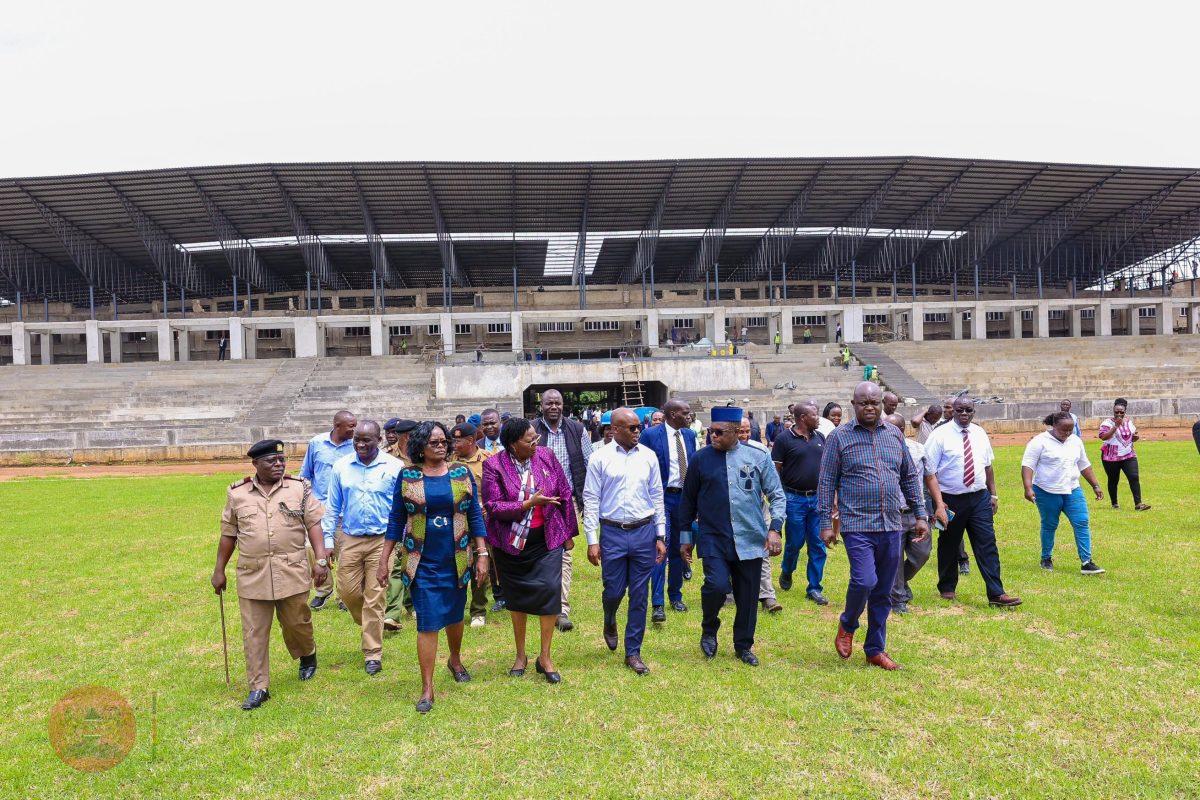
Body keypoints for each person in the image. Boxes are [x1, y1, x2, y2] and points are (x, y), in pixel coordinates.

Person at [817, 386, 928, 671]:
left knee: (884, 591)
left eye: (875, 402)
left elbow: (909, 478)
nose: (870, 407)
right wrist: (825, 523)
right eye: (864, 402)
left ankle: (875, 649)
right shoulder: (839, 437)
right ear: (853, 403)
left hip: (891, 523)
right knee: (865, 580)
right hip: (857, 523)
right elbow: (827, 482)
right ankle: (848, 624)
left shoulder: (894, 435)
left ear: (882, 404)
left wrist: (921, 515)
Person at [212, 439, 329, 710]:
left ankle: (307, 654)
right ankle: (259, 686)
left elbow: (314, 524)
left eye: (281, 461)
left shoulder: (298, 488)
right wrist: (219, 570)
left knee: (297, 623)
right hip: (253, 573)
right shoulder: (237, 494)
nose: (278, 465)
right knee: (254, 631)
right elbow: (228, 534)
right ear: (255, 464)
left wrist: (320, 559)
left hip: (291, 569)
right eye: (271, 461)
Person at [379, 422, 487, 713]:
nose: (441, 446)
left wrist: (482, 553)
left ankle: (454, 659)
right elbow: (396, 520)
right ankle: (427, 687)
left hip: (457, 558)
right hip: (422, 561)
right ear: (420, 447)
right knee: (427, 622)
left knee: (454, 615)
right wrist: (384, 559)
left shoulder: (460, 473)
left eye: (443, 441)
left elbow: (475, 514)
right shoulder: (409, 475)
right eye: (434, 442)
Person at [677, 407, 785, 667]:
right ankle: (709, 628)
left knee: (747, 597)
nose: (712, 436)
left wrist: (775, 529)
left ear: (737, 432)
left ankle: (743, 645)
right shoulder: (700, 459)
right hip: (714, 536)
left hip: (750, 538)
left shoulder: (757, 457)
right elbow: (688, 500)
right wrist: (685, 537)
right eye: (710, 431)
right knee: (714, 585)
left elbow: (777, 495)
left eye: (719, 432)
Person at [482, 417, 578, 683]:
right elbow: (493, 506)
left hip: (546, 541)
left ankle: (545, 657)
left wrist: (568, 534)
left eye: (536, 438)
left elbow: (565, 493)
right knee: (518, 599)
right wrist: (527, 504)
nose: (536, 443)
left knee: (550, 592)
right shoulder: (493, 465)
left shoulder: (546, 456)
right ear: (513, 444)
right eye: (530, 440)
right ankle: (520, 655)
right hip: (510, 545)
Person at [583, 408, 667, 675]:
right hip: (613, 533)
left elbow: (657, 496)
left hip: (644, 532)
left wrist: (660, 534)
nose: (637, 432)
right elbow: (591, 499)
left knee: (640, 595)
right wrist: (592, 540)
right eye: (631, 428)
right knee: (614, 591)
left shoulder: (649, 456)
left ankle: (633, 652)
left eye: (638, 427)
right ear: (615, 430)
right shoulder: (599, 458)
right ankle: (609, 619)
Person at [923, 398, 1022, 608]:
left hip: (979, 497)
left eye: (969, 410)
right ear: (953, 411)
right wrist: (939, 503)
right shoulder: (939, 435)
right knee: (949, 543)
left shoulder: (979, 433)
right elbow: (929, 472)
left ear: (974, 411)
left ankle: (996, 593)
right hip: (950, 499)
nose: (964, 414)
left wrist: (993, 495)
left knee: (987, 544)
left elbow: (987, 466)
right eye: (960, 410)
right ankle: (947, 587)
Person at [322, 420, 404, 675]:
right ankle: (373, 623)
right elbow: (333, 506)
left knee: (375, 596)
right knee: (346, 591)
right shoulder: (341, 467)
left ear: (379, 440)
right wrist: (327, 541)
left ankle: (372, 654)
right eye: (356, 439)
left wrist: (401, 540)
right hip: (351, 539)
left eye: (366, 440)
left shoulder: (394, 467)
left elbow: (401, 507)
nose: (360, 444)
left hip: (383, 540)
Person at [532, 388, 594, 631]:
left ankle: (560, 609)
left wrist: (588, 498)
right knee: (539, 552)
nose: (554, 407)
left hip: (567, 502)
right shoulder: (532, 430)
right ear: (542, 406)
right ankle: (541, 599)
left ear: (563, 405)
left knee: (564, 554)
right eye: (549, 403)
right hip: (538, 502)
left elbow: (591, 462)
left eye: (557, 403)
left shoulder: (577, 429)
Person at [1021, 412, 1106, 575]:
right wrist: (1028, 487)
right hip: (1046, 491)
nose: (1067, 434)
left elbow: (1084, 465)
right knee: (1050, 524)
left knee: (1082, 522)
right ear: (1054, 426)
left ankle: (1086, 562)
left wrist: (1095, 485)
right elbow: (1028, 465)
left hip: (1072, 489)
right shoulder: (1039, 442)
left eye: (1070, 430)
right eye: (1063, 430)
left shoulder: (1075, 441)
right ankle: (1046, 558)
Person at [883, 413, 949, 614]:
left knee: (922, 554)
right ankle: (898, 599)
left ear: (902, 430)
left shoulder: (918, 449)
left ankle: (902, 583)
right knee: (893, 558)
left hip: (917, 512)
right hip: (891, 514)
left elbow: (930, 478)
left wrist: (939, 505)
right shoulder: (879, 451)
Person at [641, 398, 696, 622]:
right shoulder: (651, 436)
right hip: (661, 499)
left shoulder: (690, 436)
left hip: (684, 501)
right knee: (660, 550)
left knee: (680, 549)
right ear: (672, 414)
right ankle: (657, 603)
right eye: (685, 413)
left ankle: (675, 595)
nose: (689, 416)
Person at [299, 410, 356, 610]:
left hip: (344, 510)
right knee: (313, 550)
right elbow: (306, 475)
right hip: (318, 509)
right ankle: (324, 590)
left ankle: (343, 596)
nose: (354, 429)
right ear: (337, 425)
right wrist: (308, 501)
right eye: (350, 426)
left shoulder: (356, 447)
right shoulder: (316, 443)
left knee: (344, 553)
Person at [773, 401, 829, 605]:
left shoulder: (820, 438)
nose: (819, 419)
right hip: (794, 499)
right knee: (795, 543)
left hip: (817, 499)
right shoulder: (784, 439)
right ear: (803, 418)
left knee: (818, 544)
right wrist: (779, 496)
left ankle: (814, 588)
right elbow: (775, 470)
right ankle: (787, 571)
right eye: (815, 415)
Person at [450, 422, 499, 627]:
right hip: (456, 523)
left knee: (481, 563)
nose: (453, 444)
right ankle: (456, 608)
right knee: (457, 566)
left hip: (482, 522)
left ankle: (478, 610)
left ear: (470, 441)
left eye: (457, 440)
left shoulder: (489, 459)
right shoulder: (448, 463)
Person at [738, 416, 783, 614]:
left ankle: (767, 596)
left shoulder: (760, 451)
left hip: (758, 509)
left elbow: (772, 483)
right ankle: (730, 592)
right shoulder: (721, 451)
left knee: (763, 550)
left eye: (747, 431)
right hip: (732, 512)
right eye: (740, 431)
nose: (744, 435)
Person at [1098, 398, 1150, 511]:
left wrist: (1135, 438)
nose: (1119, 414)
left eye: (1122, 412)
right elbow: (1103, 437)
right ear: (1113, 410)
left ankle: (1138, 504)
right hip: (1111, 457)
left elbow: (1132, 436)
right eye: (1117, 412)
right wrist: (1115, 426)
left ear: (1125, 411)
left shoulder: (1129, 422)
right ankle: (1114, 503)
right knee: (1113, 479)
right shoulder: (1107, 423)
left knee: (1134, 477)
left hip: (1128, 455)